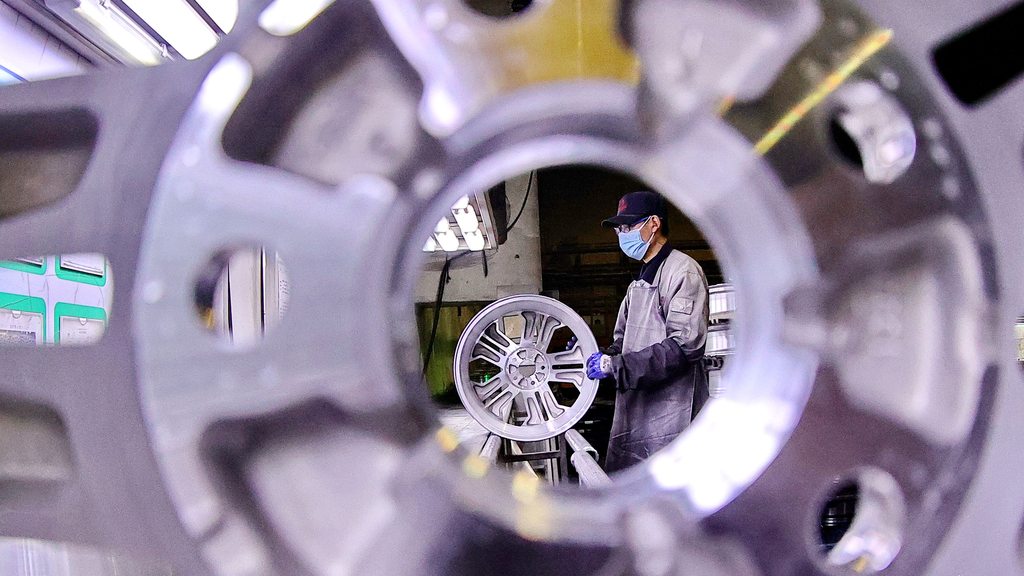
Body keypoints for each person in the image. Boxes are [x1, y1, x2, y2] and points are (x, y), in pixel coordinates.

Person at [586, 191, 710, 473]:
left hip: (671, 416)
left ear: (654, 224)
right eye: (619, 229)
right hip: (638, 412)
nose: (622, 234)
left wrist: (617, 366)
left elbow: (684, 347)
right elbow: (622, 343)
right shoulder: (638, 284)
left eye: (628, 226)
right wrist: (597, 355)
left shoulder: (683, 272)